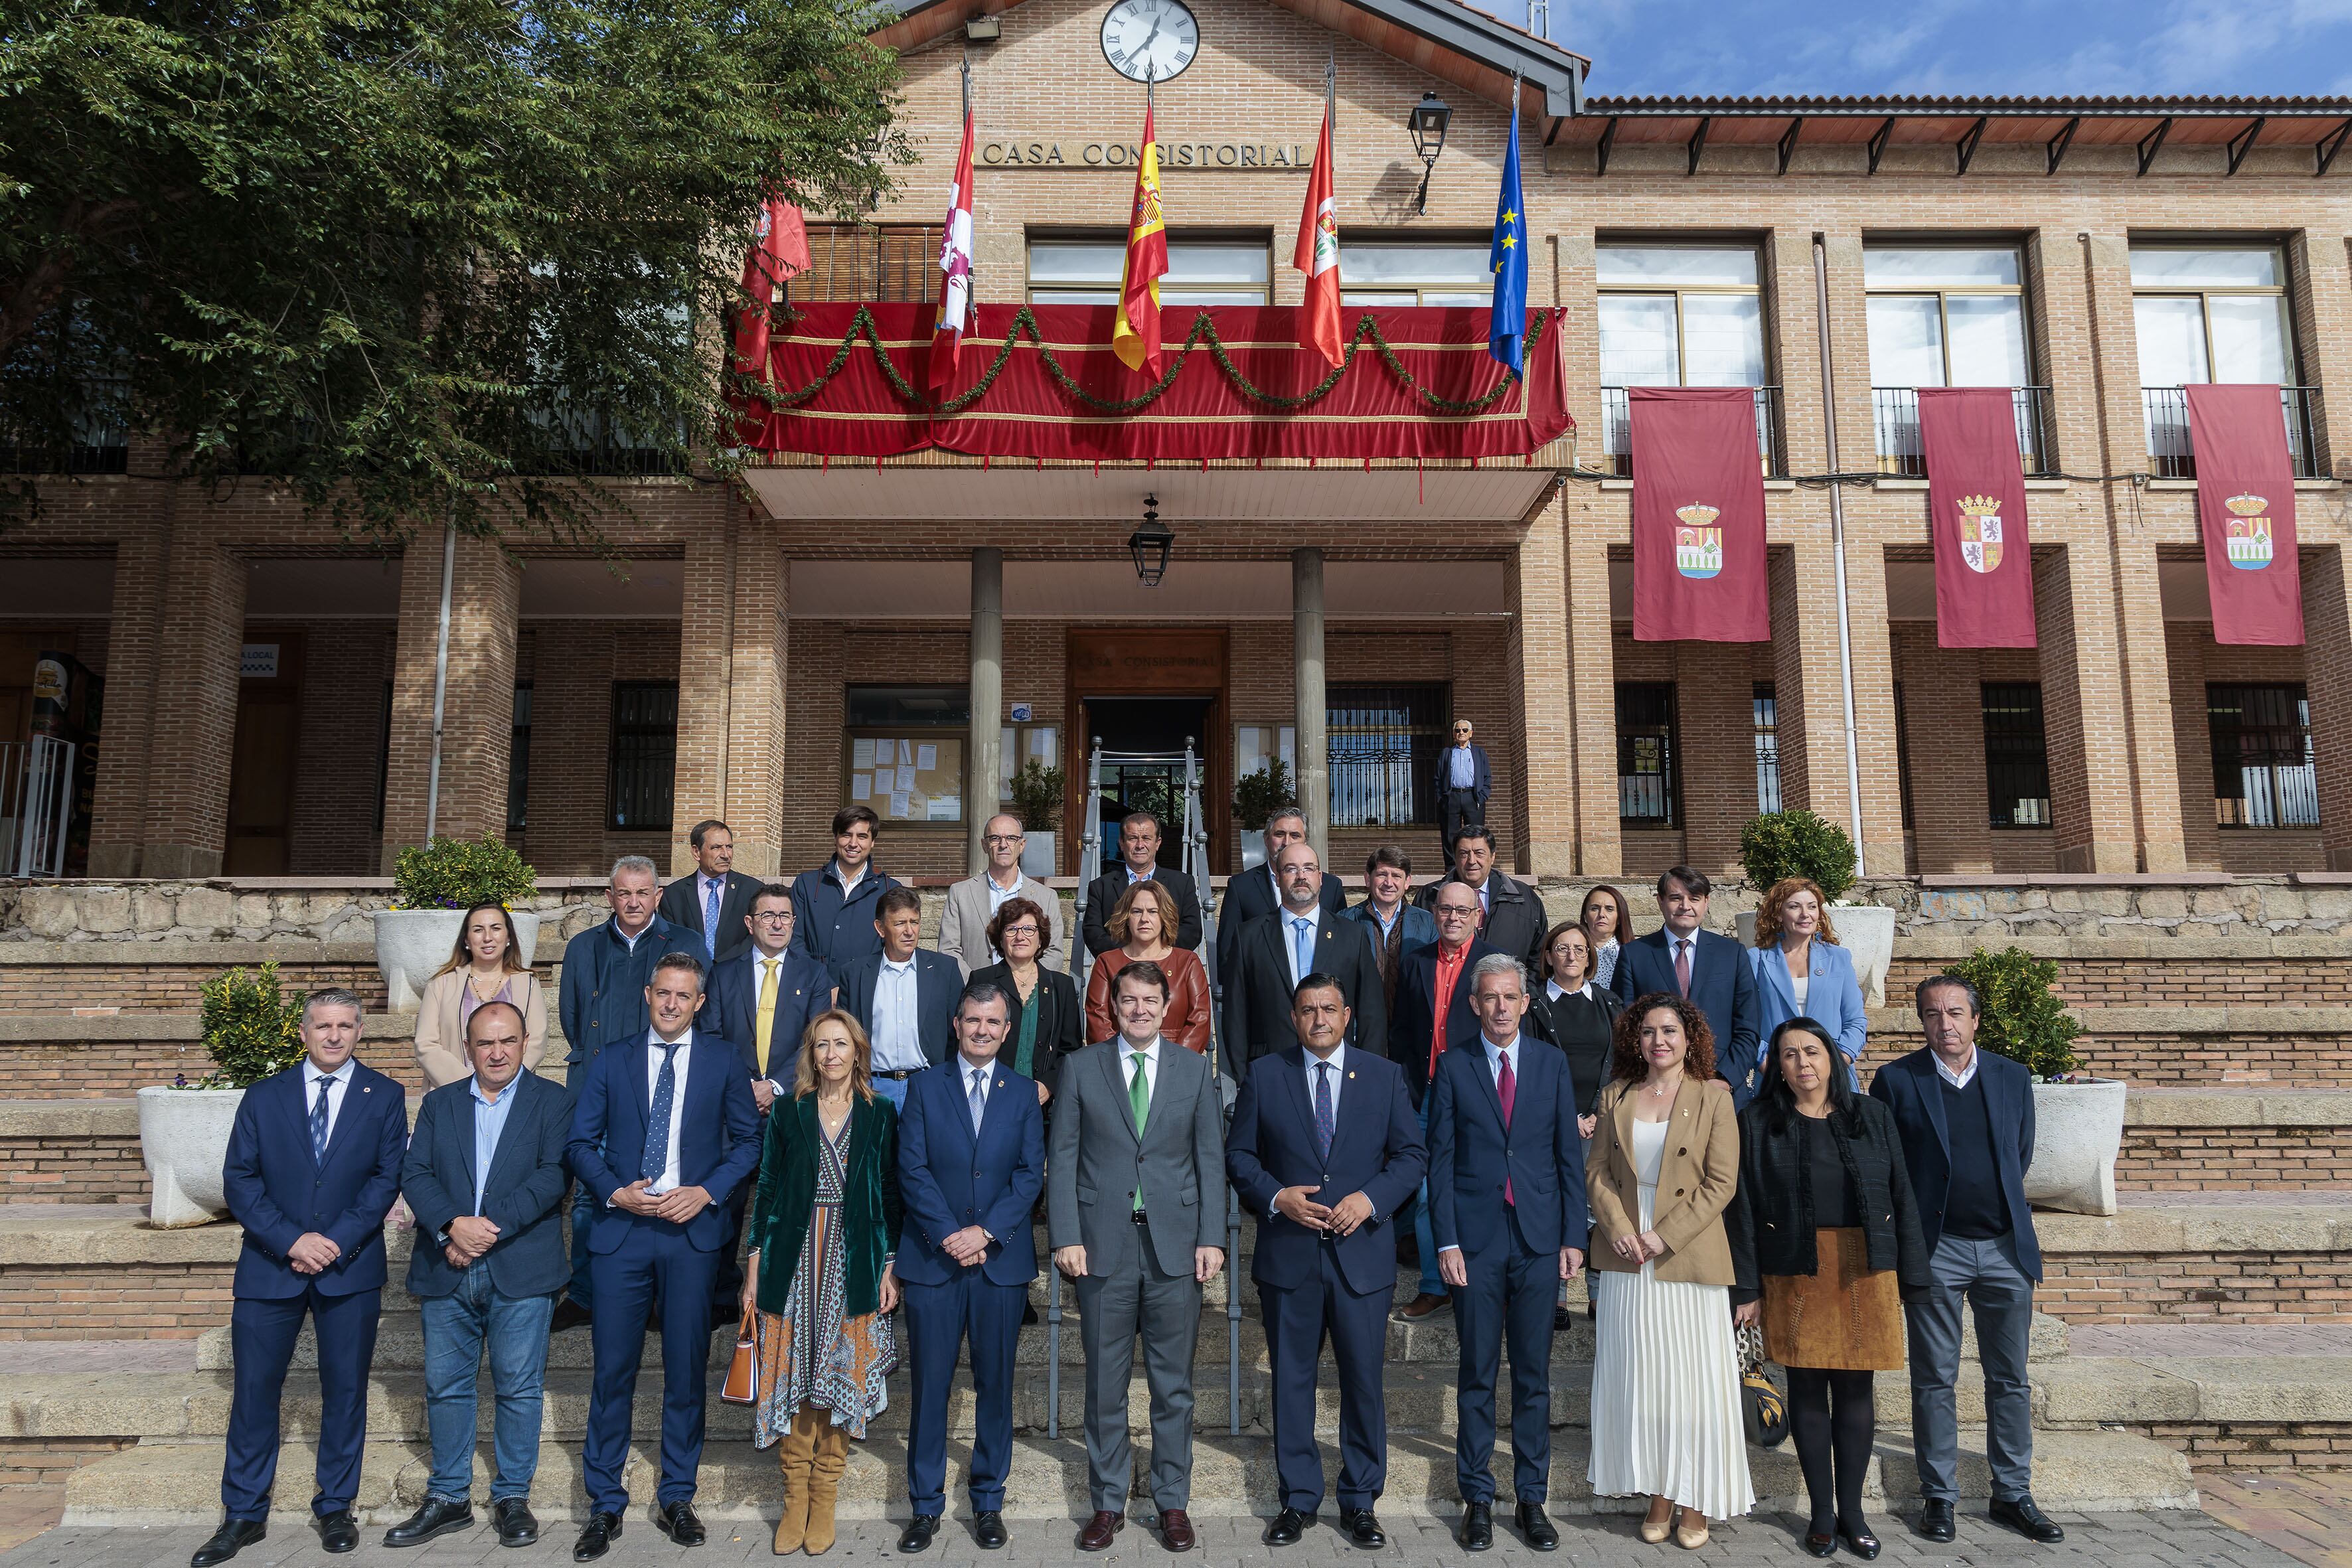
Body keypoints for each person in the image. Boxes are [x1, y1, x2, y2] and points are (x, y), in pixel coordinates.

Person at [192, 990, 408, 1568]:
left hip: (350, 1267)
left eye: (344, 1026)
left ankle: (336, 1505)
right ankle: (242, 1514)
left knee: (345, 1392)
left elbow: (386, 1180)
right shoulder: (265, 1097)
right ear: (303, 1032)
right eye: (322, 1026)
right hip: (269, 1267)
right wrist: (292, 1240)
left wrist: (333, 1241)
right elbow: (240, 1179)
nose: (333, 1036)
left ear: (360, 1031)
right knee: (255, 1394)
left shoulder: (385, 1096)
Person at [565, 953, 762, 1561]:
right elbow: (579, 1142)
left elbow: (749, 1142)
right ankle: (604, 1504)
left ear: (699, 1002)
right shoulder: (612, 1059)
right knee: (612, 1373)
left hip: (691, 1235)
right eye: (663, 994)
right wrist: (612, 1189)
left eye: (684, 996)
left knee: (684, 1372)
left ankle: (677, 1494)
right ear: (648, 994)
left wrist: (705, 1192)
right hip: (623, 1231)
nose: (672, 1004)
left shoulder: (725, 1060)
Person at [1225, 974, 1425, 1550]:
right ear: (1294, 1018)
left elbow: (1412, 1156)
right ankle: (1298, 1500)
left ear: (1347, 1017)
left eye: (1329, 1009)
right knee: (1292, 1382)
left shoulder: (1384, 1077)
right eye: (1308, 1010)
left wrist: (1371, 1200)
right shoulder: (1266, 1075)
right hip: (1288, 1259)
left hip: (1361, 1259)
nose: (1319, 1019)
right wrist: (1275, 1196)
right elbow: (1238, 1154)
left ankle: (1361, 1502)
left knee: (1363, 1382)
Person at [1727, 1018, 1928, 1561]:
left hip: (1864, 1269)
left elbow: (1902, 1195)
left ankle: (1854, 1514)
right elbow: (1740, 1208)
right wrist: (1745, 1286)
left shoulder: (1872, 1117)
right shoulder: (1757, 1121)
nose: (1802, 1064)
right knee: (1808, 1391)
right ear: (1776, 1066)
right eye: (1788, 1055)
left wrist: (1912, 1275)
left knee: (1856, 1392)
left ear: (1833, 1058)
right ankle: (1820, 1514)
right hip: (1792, 1266)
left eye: (1811, 1052)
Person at [1872, 977, 2062, 1547]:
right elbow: (1888, 1165)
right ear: (1921, 1022)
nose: (1944, 1024)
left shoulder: (2009, 1076)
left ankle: (2012, 1493)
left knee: (2010, 1380)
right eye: (1932, 1014)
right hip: (1937, 1249)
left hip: (2005, 1246)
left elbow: (2019, 1152)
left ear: (1975, 1020)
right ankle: (1940, 1496)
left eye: (1955, 1012)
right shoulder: (1896, 1080)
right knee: (1934, 1379)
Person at [1049, 961, 1227, 1554]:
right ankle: (1107, 1502)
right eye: (1129, 1000)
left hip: (1176, 1247)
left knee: (1173, 1386)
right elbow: (1065, 1157)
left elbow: (1209, 1159)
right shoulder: (1079, 1068)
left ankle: (1172, 1501)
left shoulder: (1194, 1070)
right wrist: (1065, 1236)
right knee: (1104, 1385)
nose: (1141, 1010)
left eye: (1151, 1000)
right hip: (1102, 1247)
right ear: (1113, 1006)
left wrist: (1212, 1237)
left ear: (1167, 1004)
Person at [385, 1001, 572, 1551]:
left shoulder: (553, 1102)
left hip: (520, 1267)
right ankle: (448, 1498)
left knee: (518, 1388)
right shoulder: (441, 1104)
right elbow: (414, 1171)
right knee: (446, 1388)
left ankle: (512, 1496)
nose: (496, 1052)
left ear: (524, 1044)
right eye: (485, 1043)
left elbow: (553, 1175)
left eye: (507, 1041)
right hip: (447, 1268)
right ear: (468, 1048)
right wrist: (450, 1227)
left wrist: (485, 1229)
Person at [1427, 955, 1589, 1552]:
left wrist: (1574, 1237)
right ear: (1474, 1005)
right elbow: (1438, 1161)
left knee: (1533, 1376)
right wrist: (1445, 1240)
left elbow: (1567, 1157)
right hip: (1474, 1243)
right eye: (1488, 997)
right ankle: (1476, 1497)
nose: (1499, 1007)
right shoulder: (1453, 1065)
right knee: (1475, 1374)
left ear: (1525, 1002)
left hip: (1540, 1240)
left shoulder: (1549, 1063)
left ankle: (1530, 1499)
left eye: (1510, 997)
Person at [1586, 993, 1753, 1549]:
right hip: (1627, 1259)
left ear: (1689, 1039)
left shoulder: (1713, 1098)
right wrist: (1620, 1230)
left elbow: (1721, 1182)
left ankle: (1695, 1499)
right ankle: (1658, 1493)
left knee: (1692, 1385)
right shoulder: (1615, 1095)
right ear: (1635, 1040)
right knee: (1644, 1385)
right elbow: (1598, 1175)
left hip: (1686, 1257)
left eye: (1670, 1032)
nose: (1659, 1041)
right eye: (1648, 1032)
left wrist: (1663, 1235)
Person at [741, 1010, 903, 1558]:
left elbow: (888, 1191)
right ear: (810, 1054)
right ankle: (794, 1498)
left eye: (841, 1044)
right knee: (794, 1374)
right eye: (821, 1045)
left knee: (837, 1377)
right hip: (792, 1259)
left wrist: (888, 1266)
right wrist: (754, 1265)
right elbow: (766, 1188)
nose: (831, 1054)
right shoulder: (788, 1111)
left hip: (851, 1261)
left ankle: (825, 1495)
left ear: (858, 1052)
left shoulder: (879, 1113)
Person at [894, 982, 1046, 1555]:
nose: (982, 1030)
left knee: (994, 1387)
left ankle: (988, 1501)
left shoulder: (1023, 1092)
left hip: (998, 1263)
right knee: (930, 1387)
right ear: (956, 1025)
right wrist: (951, 1235)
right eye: (973, 1020)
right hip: (934, 1261)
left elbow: (1030, 1174)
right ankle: (924, 1507)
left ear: (1007, 1031)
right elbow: (911, 1169)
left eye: (993, 1022)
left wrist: (984, 1233)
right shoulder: (924, 1087)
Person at [554, 856, 682, 1331]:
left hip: (661, 1090)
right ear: (610, 897)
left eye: (642, 892)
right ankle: (585, 1295)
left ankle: (648, 1296)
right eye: (624, 893)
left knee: (656, 1191)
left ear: (657, 896)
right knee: (590, 1196)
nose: (633, 901)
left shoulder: (682, 944)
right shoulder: (583, 947)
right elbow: (571, 1020)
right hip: (596, 1089)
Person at [702, 883, 838, 1328]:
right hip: (730, 1111)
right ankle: (723, 1291)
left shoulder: (813, 974)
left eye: (785, 916)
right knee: (726, 1204)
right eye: (768, 916)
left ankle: (785, 1289)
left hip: (791, 1104)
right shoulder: (723, 973)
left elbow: (816, 1040)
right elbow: (711, 1038)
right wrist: (743, 1090)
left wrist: (774, 1086)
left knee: (789, 1204)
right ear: (749, 923)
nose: (777, 924)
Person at [1387, 881, 1499, 1319]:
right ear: (1434, 914)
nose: (1453, 917)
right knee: (1423, 1189)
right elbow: (1400, 1030)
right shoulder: (1415, 962)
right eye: (1445, 909)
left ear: (1477, 915)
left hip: (1476, 1095)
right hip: (1422, 1094)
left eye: (1462, 910)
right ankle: (1436, 1285)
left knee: (1478, 1184)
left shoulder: (1492, 964)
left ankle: (1480, 1280)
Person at [1223, 841, 1386, 1083]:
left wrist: (1365, 1073)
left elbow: (1372, 1012)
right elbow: (1235, 1014)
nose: (1301, 876)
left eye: (1309, 868)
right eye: (1291, 869)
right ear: (1277, 878)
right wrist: (1244, 1078)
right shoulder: (1248, 936)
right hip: (1271, 1072)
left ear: (1320, 878)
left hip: (1338, 1071)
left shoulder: (1352, 935)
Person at [1611, 867, 1762, 1108]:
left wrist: (1726, 1078)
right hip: (1654, 1089)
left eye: (1694, 898)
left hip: (1719, 1087)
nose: (1685, 906)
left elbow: (1749, 1026)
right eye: (1675, 898)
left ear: (1706, 902)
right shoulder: (1635, 954)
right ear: (1660, 901)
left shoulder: (1732, 954)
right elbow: (1625, 1026)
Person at [838, 886, 961, 1109]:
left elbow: (958, 1033)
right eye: (899, 923)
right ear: (881, 928)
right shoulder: (855, 974)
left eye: (914, 922)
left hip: (929, 1085)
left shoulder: (945, 970)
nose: (910, 931)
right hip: (873, 1089)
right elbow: (846, 1037)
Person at [1749, 877, 1868, 1090]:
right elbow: (1745, 1022)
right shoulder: (1756, 960)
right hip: (1777, 1079)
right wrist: (1767, 1065)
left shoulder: (1838, 958)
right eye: (1795, 907)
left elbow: (1856, 1020)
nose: (1806, 914)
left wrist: (1838, 1063)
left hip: (1834, 1079)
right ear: (1778, 914)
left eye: (1812, 907)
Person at [414, 902, 548, 1089]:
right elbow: (426, 1044)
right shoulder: (441, 984)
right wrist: (469, 1086)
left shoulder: (527, 984)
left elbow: (536, 1041)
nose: (487, 937)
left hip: (512, 1094)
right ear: (467, 940)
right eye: (478, 930)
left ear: (508, 936)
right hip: (452, 1093)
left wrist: (502, 1082)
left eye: (495, 928)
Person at [970, 896, 1081, 1105]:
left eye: (1029, 929)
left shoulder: (1061, 986)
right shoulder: (981, 979)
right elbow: (970, 1039)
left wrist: (1049, 1085)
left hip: (1041, 1105)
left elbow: (1071, 1050)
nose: (1020, 936)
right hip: (991, 1097)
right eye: (1011, 929)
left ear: (1041, 938)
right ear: (1000, 938)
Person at [1215, 807, 1342, 984]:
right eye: (1279, 834)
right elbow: (1228, 953)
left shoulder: (1331, 886)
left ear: (1306, 841)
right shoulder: (1241, 887)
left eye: (1295, 835)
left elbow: (1341, 947)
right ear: (1266, 840)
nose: (1287, 842)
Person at [1083, 881, 1212, 1053]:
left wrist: (1173, 1063)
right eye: (1137, 911)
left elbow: (1200, 1020)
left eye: (1153, 912)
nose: (1145, 919)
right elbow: (1097, 1021)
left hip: (1177, 1063)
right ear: (1126, 918)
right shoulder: (1107, 962)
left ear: (1164, 917)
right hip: (1119, 1062)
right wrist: (1121, 1062)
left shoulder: (1188, 962)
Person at [1526, 923, 1620, 1138]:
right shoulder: (1532, 1005)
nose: (1571, 957)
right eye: (1562, 949)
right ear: (1549, 957)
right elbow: (1528, 1067)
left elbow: (1621, 1064)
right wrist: (1565, 1115)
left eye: (1579, 949)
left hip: (1601, 1123)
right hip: (1547, 1123)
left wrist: (1601, 1113)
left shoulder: (1611, 1003)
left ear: (1588, 958)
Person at [943, 813, 1067, 975]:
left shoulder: (1046, 897)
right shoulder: (960, 893)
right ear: (984, 845)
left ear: (1022, 845)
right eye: (995, 838)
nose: (1003, 845)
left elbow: (1054, 952)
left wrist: (1025, 985)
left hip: (1028, 994)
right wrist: (976, 986)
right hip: (975, 994)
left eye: (1011, 838)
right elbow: (949, 950)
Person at [791, 806, 900, 986]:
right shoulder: (806, 885)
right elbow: (794, 942)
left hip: (867, 992)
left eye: (862, 836)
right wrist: (824, 986)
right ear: (836, 838)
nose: (853, 843)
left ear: (873, 842)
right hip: (814, 991)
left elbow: (894, 948)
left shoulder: (890, 890)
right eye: (847, 835)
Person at [1413, 826, 1546, 969]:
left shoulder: (1523, 897)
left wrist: (1529, 990)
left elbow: (1539, 956)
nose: (1472, 861)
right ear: (1455, 858)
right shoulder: (1429, 897)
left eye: (1479, 853)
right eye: (1464, 854)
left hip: (1506, 990)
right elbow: (1418, 951)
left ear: (1492, 856)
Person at [1082, 811, 1204, 956]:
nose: (1140, 845)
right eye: (1133, 838)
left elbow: (1192, 931)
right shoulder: (1101, 887)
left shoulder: (1182, 884)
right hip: (1118, 971)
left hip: (1168, 970)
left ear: (1157, 843)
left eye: (1146, 838)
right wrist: (1129, 956)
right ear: (1122, 843)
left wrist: (1158, 954)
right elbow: (1093, 934)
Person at [1340, 844, 1437, 1016]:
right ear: (1368, 879)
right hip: (1362, 1025)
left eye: (1397, 876)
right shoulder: (1345, 920)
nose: (1389, 883)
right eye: (1382, 874)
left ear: (1407, 882)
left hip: (1410, 1026)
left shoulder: (1428, 923)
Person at [659, 819, 761, 967]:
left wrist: (722, 966)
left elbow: (756, 936)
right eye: (716, 847)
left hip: (736, 976)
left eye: (729, 847)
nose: (726, 854)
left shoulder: (753, 890)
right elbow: (671, 941)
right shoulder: (674, 895)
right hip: (690, 977)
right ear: (696, 852)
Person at [1434, 718, 1492, 872]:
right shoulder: (1447, 753)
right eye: (1458, 730)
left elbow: (1487, 777)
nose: (1461, 733)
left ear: (1471, 733)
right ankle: (1452, 868)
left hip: (1472, 797)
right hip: (1451, 796)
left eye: (1465, 730)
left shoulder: (1479, 753)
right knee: (1449, 833)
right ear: (1454, 733)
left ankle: (1475, 865)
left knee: (1475, 833)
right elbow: (1438, 778)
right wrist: (1442, 797)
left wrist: (1483, 795)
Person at [1580, 884, 1633, 992]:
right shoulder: (1573, 952)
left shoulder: (1633, 953)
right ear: (1585, 917)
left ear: (1619, 918)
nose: (1602, 915)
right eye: (1595, 908)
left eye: (1609, 909)